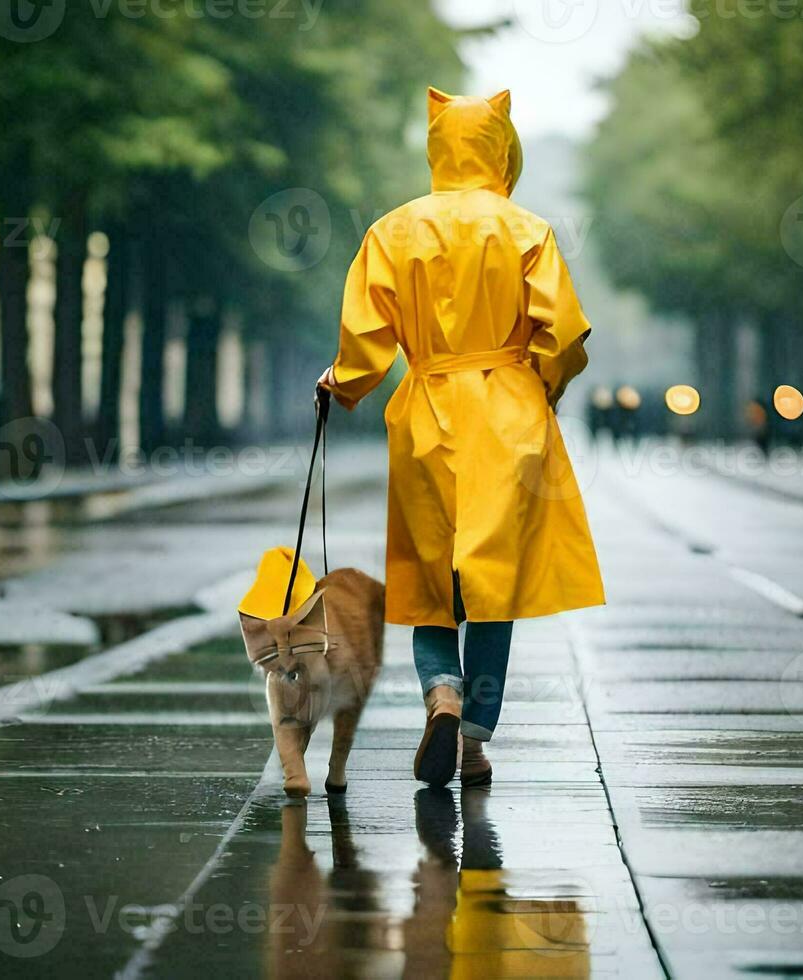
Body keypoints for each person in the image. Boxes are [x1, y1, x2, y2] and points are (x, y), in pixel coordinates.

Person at [317, 87, 604, 789]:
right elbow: (562, 334)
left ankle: (439, 689)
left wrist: (342, 383)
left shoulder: (394, 230)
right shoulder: (527, 230)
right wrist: (546, 386)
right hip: (509, 414)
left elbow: (366, 339)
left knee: (431, 576)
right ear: (502, 149)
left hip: (427, 410)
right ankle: (473, 738)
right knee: (492, 583)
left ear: (435, 147)